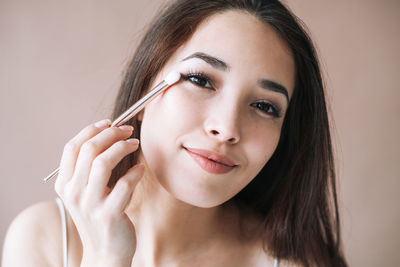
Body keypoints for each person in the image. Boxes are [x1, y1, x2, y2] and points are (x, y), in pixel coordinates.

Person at [2, 0, 347, 266]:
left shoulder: (290, 262)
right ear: (146, 83)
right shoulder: (43, 239)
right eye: (201, 80)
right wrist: (105, 257)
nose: (226, 128)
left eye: (265, 107)